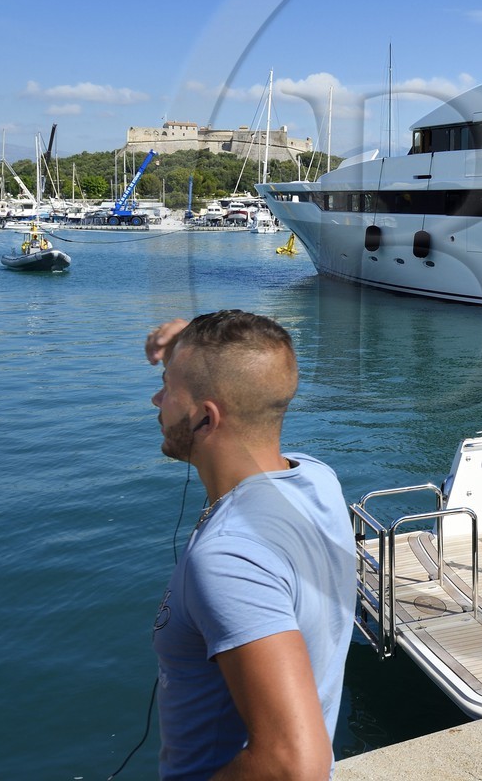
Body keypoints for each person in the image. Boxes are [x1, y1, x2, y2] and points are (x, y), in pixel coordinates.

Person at [145, 310, 355, 780]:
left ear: (204, 416)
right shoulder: (317, 480)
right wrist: (193, 345)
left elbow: (294, 764)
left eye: (168, 388)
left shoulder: (229, 558)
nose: (156, 399)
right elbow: (250, 372)